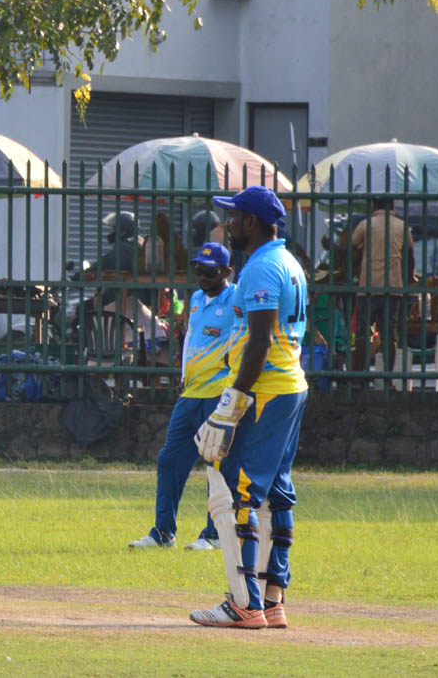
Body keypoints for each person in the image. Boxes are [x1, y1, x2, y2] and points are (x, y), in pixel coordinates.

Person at [190, 185, 308, 630]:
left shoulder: (260, 268)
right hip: (289, 386)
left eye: (234, 217)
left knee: (238, 491)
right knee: (278, 490)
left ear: (252, 222)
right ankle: (273, 599)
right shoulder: (289, 262)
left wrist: (233, 399)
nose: (229, 225)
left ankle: (245, 604)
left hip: (267, 391)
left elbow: (259, 339)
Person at [129, 242, 233, 551]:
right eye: (198, 269)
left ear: (226, 272)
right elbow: (191, 339)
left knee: (218, 465)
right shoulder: (198, 299)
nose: (201, 276)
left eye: (209, 271)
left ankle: (215, 535)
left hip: (219, 395)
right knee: (170, 459)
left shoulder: (237, 298)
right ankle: (163, 533)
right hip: (190, 394)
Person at [350, 196, 414, 372]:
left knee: (363, 335)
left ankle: (358, 378)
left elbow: (351, 246)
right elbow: (410, 255)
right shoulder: (402, 227)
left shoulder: (366, 225)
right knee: (389, 336)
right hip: (392, 288)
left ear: (374, 206)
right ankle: (387, 379)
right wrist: (410, 278)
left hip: (368, 287)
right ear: (393, 206)